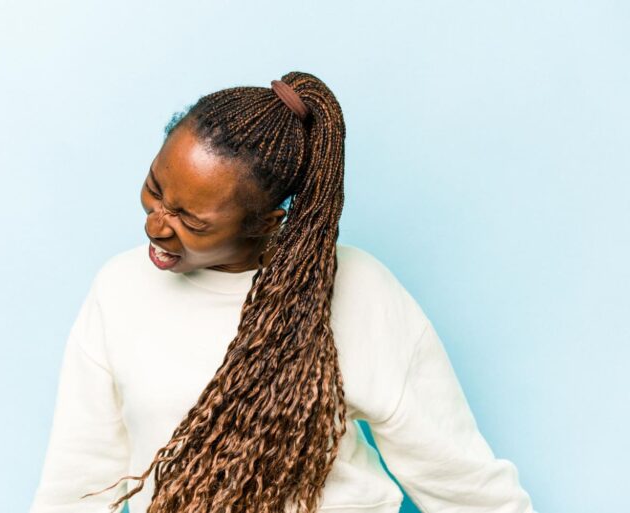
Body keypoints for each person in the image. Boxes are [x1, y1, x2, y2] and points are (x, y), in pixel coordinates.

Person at [29, 72, 536, 513]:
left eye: (191, 220)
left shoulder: (360, 290)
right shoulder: (119, 290)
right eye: (156, 190)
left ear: (266, 223)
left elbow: (463, 482)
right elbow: (77, 483)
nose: (157, 226)